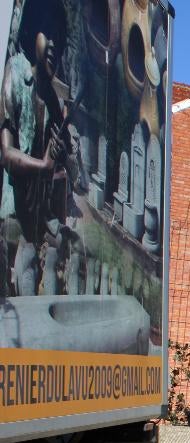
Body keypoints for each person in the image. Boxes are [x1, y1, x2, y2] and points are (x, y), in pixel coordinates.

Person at [0, 22, 70, 296]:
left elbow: (59, 165)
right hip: (11, 215)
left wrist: (59, 157)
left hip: (36, 219)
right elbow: (6, 154)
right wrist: (43, 166)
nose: (53, 43)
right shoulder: (15, 74)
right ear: (32, 34)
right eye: (47, 33)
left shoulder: (53, 100)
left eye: (58, 37)